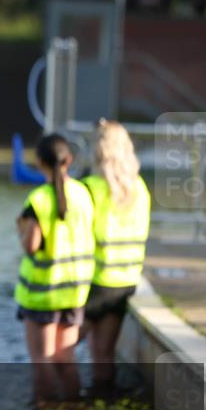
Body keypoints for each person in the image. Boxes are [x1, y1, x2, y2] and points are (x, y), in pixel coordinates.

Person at [14, 134, 95, 405]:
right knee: (66, 360)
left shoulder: (39, 199)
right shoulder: (84, 194)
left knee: (42, 360)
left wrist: (21, 230)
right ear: (68, 160)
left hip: (43, 294)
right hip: (74, 292)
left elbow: (31, 246)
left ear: (39, 164)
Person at [80, 119, 150, 393]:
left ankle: (61, 409)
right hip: (124, 283)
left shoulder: (90, 188)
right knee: (104, 355)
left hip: (94, 283)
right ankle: (104, 405)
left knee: (57, 351)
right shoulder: (140, 189)